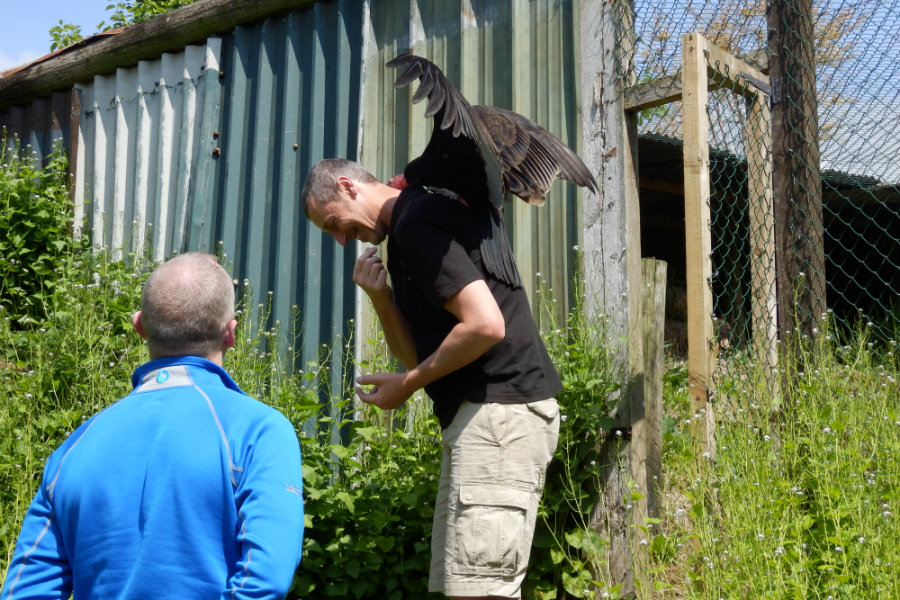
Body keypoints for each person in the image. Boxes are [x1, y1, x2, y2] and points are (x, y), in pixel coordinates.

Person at [301, 158, 561, 600]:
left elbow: (485, 325)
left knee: (479, 592)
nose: (342, 239)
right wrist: (382, 299)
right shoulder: (408, 230)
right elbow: (419, 356)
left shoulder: (416, 221)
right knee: (464, 588)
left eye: (333, 224)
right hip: (482, 419)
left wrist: (410, 383)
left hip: (498, 417)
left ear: (347, 186)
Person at [0, 252, 304, 600]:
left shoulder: (74, 447)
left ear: (139, 325)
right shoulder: (260, 431)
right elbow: (266, 579)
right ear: (230, 333)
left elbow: (24, 591)